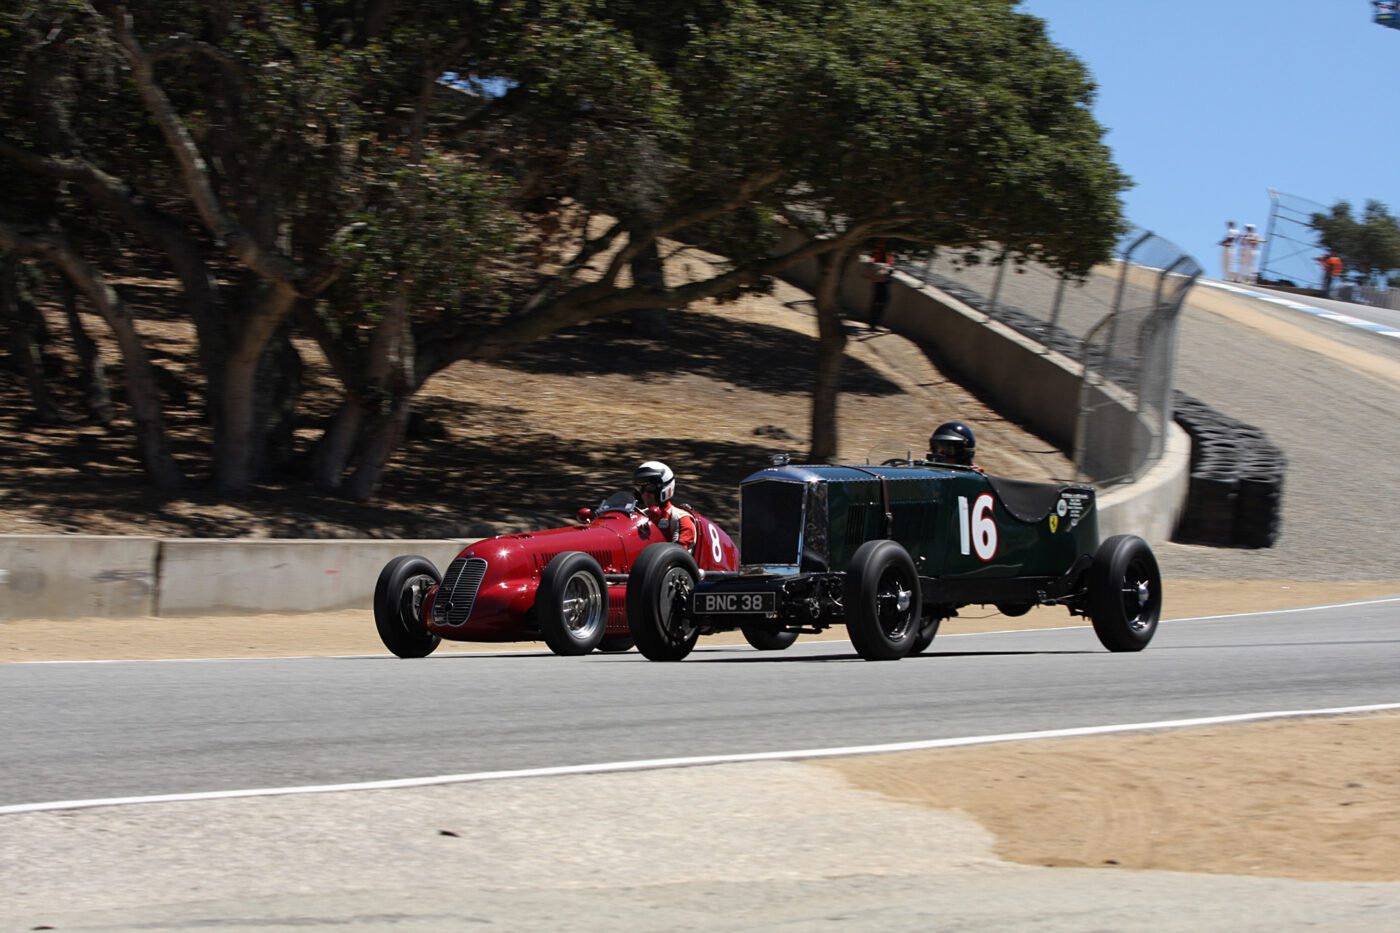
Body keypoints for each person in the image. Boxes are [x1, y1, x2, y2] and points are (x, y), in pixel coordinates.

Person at [633, 460, 695, 551]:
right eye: (640, 488)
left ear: (665, 488)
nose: (645, 494)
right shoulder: (638, 516)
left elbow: (677, 556)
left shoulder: (681, 519)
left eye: (650, 487)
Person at [864, 239, 895, 330]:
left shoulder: (879, 250)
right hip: (882, 280)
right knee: (882, 302)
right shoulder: (884, 251)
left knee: (877, 301)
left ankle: (872, 323)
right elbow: (885, 266)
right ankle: (875, 324)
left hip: (878, 280)